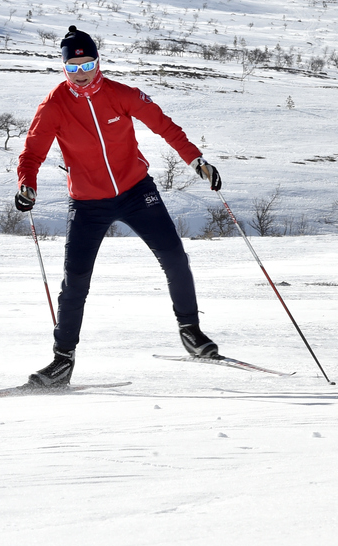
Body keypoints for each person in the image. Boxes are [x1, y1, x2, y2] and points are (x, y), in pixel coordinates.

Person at [15, 25, 224, 387]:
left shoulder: (122, 94)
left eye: (88, 65)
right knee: (75, 283)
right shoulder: (54, 106)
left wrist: (196, 160)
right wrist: (26, 185)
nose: (82, 75)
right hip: (87, 203)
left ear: (98, 63)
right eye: (73, 68)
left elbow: (164, 126)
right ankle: (62, 361)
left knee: (174, 256)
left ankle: (191, 331)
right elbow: (32, 152)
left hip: (135, 191)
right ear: (64, 69)